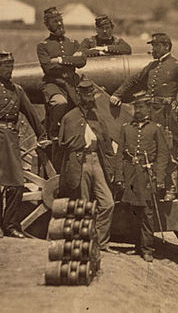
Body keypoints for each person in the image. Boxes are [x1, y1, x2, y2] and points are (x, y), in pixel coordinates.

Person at [110, 32, 178, 200]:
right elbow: (133, 80)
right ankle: (153, 186)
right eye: (152, 46)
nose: (153, 49)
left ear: (166, 46)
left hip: (167, 116)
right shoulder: (152, 66)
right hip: (152, 114)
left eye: (155, 46)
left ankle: (171, 189)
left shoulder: (177, 66)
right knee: (151, 150)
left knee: (169, 151)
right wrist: (118, 94)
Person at [0, 51, 47, 239]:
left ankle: (11, 225)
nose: (9, 70)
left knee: (16, 183)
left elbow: (31, 114)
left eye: (11, 66)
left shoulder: (18, 90)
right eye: (5, 66)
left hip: (11, 139)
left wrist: (42, 135)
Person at [56, 79, 117, 253]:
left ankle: (101, 242)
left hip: (96, 161)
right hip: (79, 162)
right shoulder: (70, 117)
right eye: (85, 95)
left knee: (108, 203)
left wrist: (111, 168)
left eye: (91, 95)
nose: (89, 98)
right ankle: (84, 243)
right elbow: (63, 145)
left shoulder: (97, 116)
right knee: (82, 204)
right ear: (79, 96)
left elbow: (106, 144)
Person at [114, 91, 169, 262]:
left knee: (147, 213)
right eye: (135, 107)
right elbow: (120, 155)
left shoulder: (155, 129)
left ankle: (147, 249)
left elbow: (163, 155)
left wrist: (159, 179)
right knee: (133, 212)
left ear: (148, 109)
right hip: (131, 175)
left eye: (141, 107)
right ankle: (137, 246)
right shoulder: (126, 128)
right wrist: (119, 177)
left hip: (147, 175)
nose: (138, 111)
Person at [36, 6, 87, 142]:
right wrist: (71, 61)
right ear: (47, 25)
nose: (59, 23)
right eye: (54, 21)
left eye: (60, 20)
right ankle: (53, 130)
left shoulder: (73, 43)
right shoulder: (43, 46)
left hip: (71, 84)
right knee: (60, 102)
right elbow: (48, 67)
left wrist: (60, 60)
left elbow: (82, 61)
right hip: (54, 84)